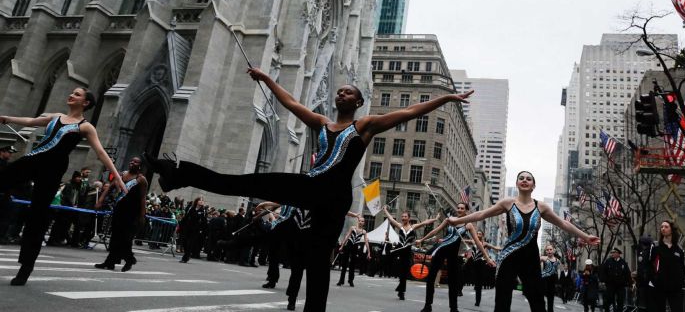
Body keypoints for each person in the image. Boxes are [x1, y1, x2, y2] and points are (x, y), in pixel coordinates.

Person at [144, 67, 473, 312]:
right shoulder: (320, 123)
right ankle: (175, 173)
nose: (341, 95)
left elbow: (412, 111)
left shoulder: (366, 125)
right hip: (312, 185)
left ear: (358, 101)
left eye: (348, 93)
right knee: (247, 182)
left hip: (334, 197)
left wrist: (447, 97)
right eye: (339, 92)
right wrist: (266, 79)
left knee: (318, 263)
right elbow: (289, 102)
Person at [0, 87, 126, 285]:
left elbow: (100, 152)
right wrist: (8, 118)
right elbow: (32, 122)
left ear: (85, 103)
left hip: (54, 168)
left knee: (38, 215)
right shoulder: (56, 116)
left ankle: (26, 266)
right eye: (72, 93)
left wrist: (117, 177)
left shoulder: (85, 126)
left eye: (77, 94)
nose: (71, 95)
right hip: (34, 159)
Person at [447, 171, 600, 312]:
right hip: (508, 257)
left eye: (528, 179)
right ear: (517, 184)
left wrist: (585, 236)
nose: (525, 180)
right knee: (502, 300)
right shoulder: (507, 203)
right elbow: (481, 214)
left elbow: (563, 223)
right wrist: (458, 220)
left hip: (531, 259)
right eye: (521, 178)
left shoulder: (541, 207)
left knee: (538, 300)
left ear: (533, 185)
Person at [416, 202, 495, 312]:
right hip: (441, 249)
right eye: (458, 208)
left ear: (466, 210)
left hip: (453, 254)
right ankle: (427, 305)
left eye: (462, 208)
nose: (459, 210)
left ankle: (454, 308)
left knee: (453, 282)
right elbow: (436, 231)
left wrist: (487, 258)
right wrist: (422, 239)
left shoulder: (468, 224)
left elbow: (477, 243)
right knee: (431, 278)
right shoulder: (450, 219)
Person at [95, 156, 147, 271]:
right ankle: (110, 262)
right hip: (119, 209)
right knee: (115, 236)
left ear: (140, 166)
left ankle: (129, 259)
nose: (132, 163)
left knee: (125, 238)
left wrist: (142, 215)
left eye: (135, 162)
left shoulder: (141, 179)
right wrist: (100, 200)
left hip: (133, 212)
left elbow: (143, 198)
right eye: (131, 161)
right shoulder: (122, 175)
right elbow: (109, 188)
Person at [381, 205, 437, 300]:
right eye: (402, 217)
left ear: (409, 218)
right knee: (394, 264)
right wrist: (385, 210)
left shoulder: (413, 227)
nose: (403, 218)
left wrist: (435, 219)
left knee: (405, 271)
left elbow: (425, 222)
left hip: (407, 251)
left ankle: (401, 290)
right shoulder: (400, 226)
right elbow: (390, 218)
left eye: (405, 216)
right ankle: (399, 289)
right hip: (399, 249)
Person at [647, 220, 685, 312]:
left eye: (666, 227)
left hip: (675, 288)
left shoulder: (679, 249)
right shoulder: (655, 246)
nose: (663, 229)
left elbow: (683, 266)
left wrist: (680, 281)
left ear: (671, 230)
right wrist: (654, 280)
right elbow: (649, 265)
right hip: (659, 287)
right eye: (661, 227)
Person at [336, 217, 371, 287]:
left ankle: (351, 280)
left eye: (362, 221)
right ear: (358, 221)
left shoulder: (364, 232)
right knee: (344, 264)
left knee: (352, 264)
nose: (361, 222)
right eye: (360, 221)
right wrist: (342, 246)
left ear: (364, 223)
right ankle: (341, 280)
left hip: (355, 247)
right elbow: (347, 236)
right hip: (349, 245)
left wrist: (369, 252)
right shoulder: (353, 228)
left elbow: (366, 242)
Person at [471, 230, 502, 307]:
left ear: (482, 235)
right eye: (477, 233)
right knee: (472, 278)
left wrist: (502, 248)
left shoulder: (484, 244)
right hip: (473, 263)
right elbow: (463, 240)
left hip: (480, 263)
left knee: (478, 283)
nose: (478, 235)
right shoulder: (473, 241)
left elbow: (495, 247)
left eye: (480, 234)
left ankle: (477, 301)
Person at [600, 248, 631, 312]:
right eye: (612, 252)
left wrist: (628, 283)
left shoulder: (623, 262)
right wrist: (603, 280)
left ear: (618, 254)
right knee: (608, 300)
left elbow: (627, 273)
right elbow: (603, 271)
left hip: (620, 285)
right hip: (610, 285)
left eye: (614, 252)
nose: (613, 253)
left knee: (620, 301)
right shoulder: (608, 261)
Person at [541, 244, 562, 312]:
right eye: (547, 250)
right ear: (545, 251)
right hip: (544, 280)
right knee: (541, 296)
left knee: (551, 298)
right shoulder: (543, 258)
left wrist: (558, 277)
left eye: (550, 249)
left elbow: (558, 269)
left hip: (552, 280)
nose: (549, 251)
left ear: (553, 250)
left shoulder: (557, 260)